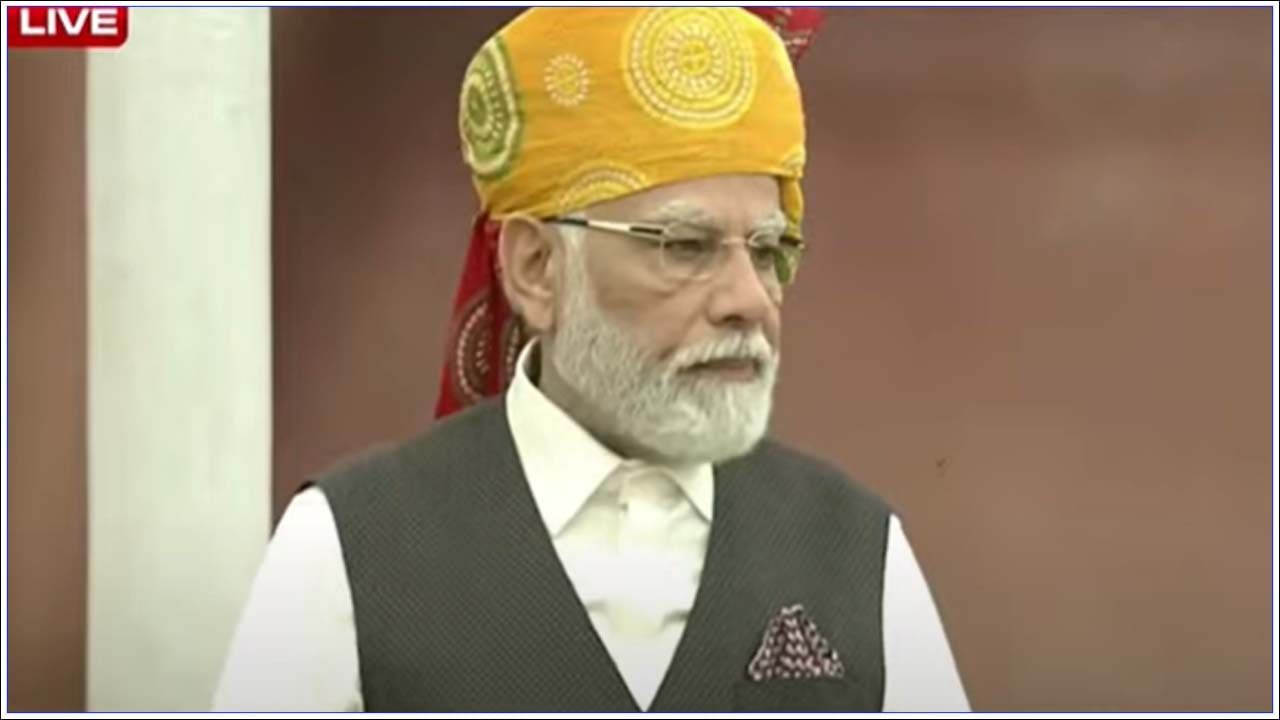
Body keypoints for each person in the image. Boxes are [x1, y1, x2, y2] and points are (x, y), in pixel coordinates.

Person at [214, 7, 969, 712]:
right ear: (538, 269)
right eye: (686, 246)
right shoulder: (349, 551)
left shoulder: (856, 552)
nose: (750, 299)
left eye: (770, 250)